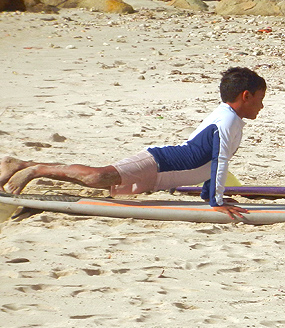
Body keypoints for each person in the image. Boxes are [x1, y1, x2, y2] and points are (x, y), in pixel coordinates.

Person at [0, 66, 266, 220]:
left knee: (100, 180)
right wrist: (216, 203)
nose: (261, 106)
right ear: (246, 96)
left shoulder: (230, 118)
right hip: (158, 164)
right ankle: (35, 170)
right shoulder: (226, 121)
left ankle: (21, 164)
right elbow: (219, 163)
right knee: (98, 177)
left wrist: (209, 194)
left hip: (161, 175)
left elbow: (211, 163)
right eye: (260, 99)